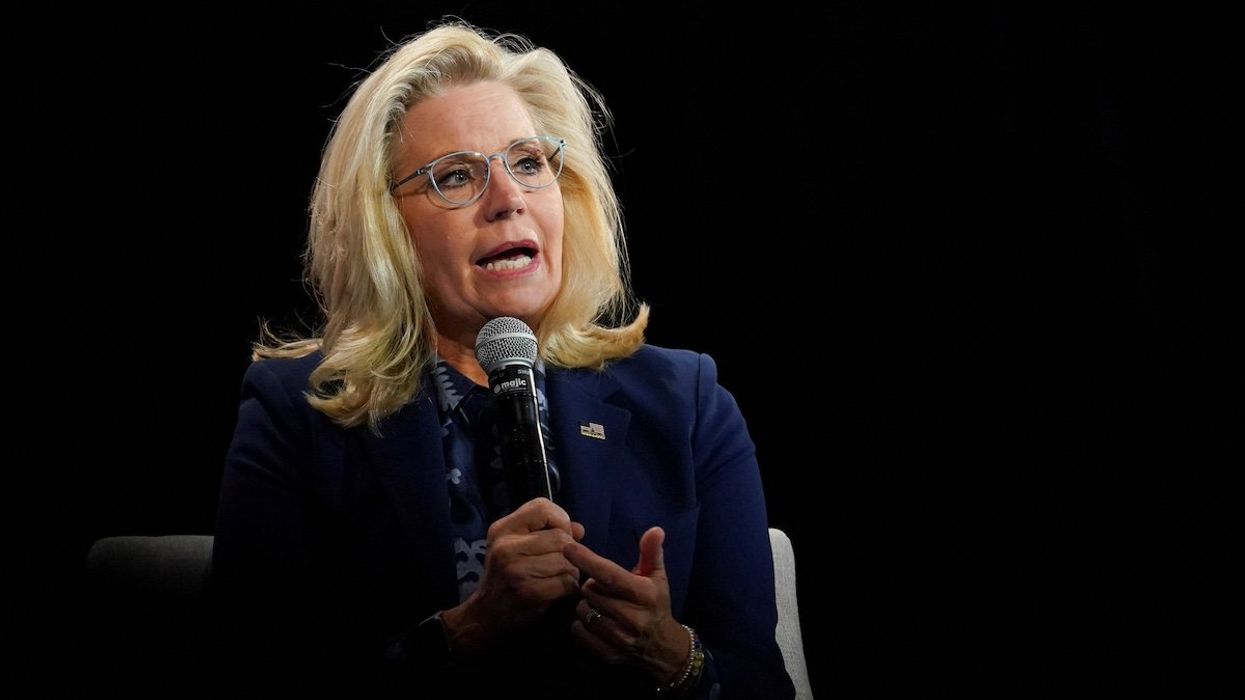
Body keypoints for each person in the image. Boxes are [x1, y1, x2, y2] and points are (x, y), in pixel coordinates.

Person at [212, 19, 794, 699]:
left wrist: (671, 657)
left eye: (527, 163)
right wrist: (464, 633)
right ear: (385, 227)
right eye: (456, 176)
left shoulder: (686, 401)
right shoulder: (296, 415)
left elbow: (760, 680)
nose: (508, 199)